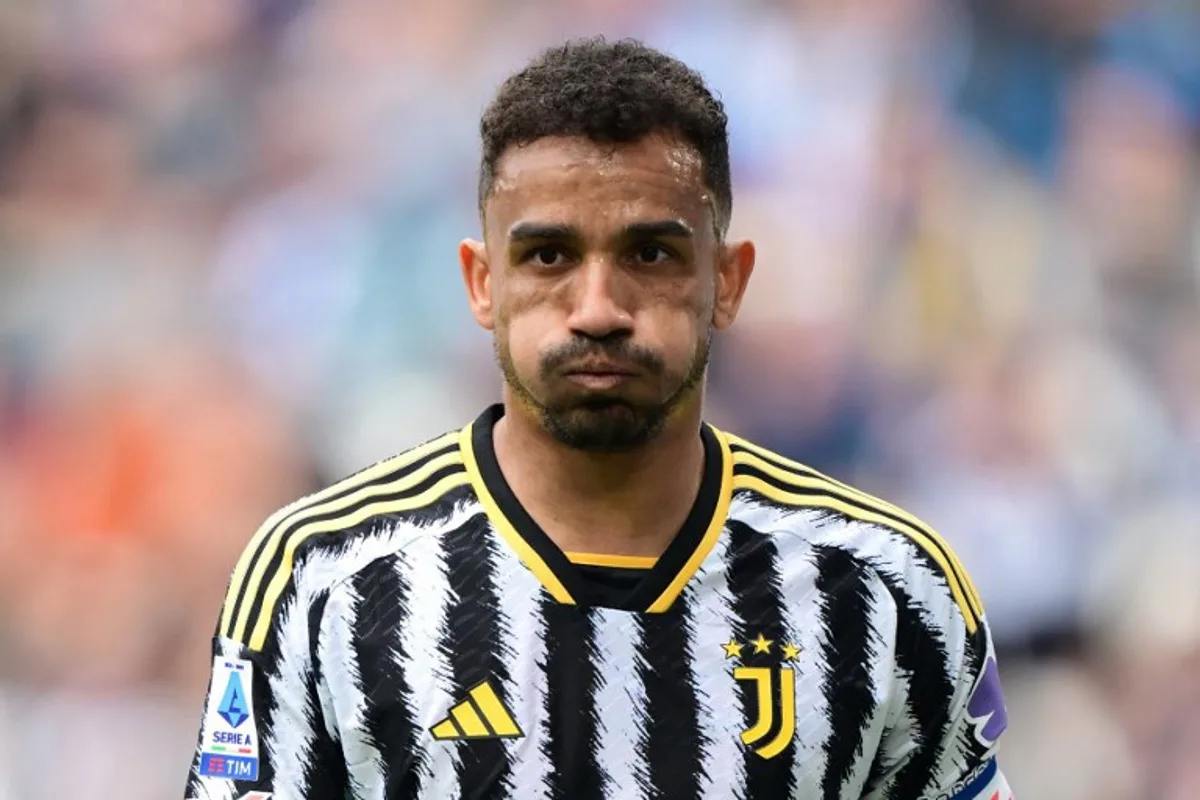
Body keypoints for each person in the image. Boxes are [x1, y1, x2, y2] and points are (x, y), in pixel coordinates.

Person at [184, 38, 1013, 800]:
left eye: (650, 254)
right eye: (548, 256)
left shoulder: (887, 586)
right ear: (481, 283)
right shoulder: (321, 577)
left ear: (726, 280)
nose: (598, 309)